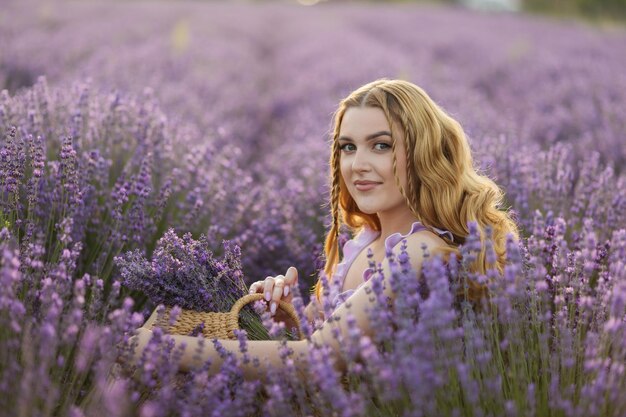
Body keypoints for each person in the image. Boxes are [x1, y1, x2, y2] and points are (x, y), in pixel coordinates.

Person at [129, 78, 519, 382]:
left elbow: (318, 360)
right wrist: (283, 319)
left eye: (380, 146)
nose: (357, 164)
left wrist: (168, 349)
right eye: (347, 147)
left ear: (422, 153)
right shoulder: (364, 244)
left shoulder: (420, 252)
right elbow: (319, 340)